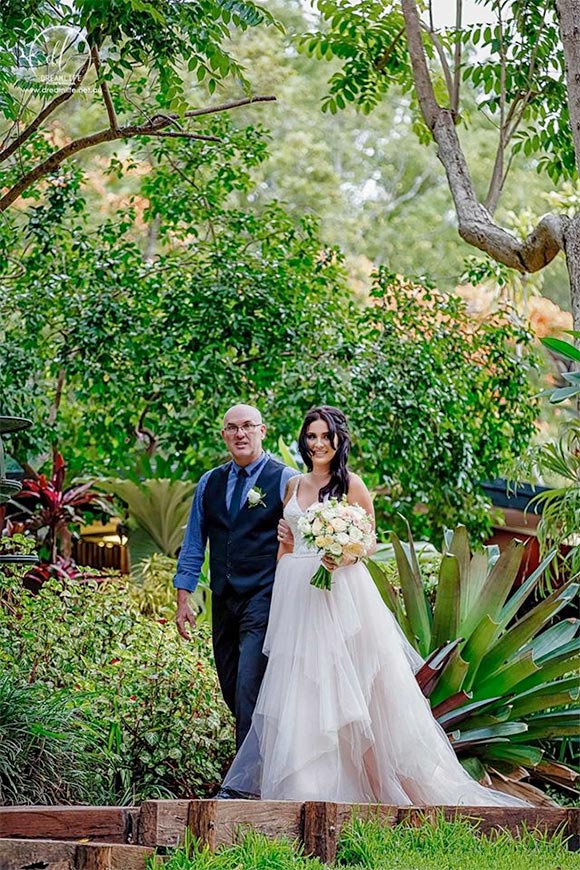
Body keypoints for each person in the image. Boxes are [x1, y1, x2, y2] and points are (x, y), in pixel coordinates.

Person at [220, 405, 529, 806]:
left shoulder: (352, 484)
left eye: (325, 437)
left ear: (337, 440)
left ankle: (346, 786)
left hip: (338, 590)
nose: (318, 444)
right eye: (311, 437)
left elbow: (366, 542)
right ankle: (302, 788)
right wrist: (285, 577)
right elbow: (286, 542)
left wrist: (341, 556)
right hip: (295, 591)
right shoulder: (292, 485)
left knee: (341, 684)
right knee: (296, 686)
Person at [174, 404, 297, 750]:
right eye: (232, 428)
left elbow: (300, 538)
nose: (240, 434)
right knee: (230, 684)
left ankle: (243, 785)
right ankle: (260, 760)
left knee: (249, 685)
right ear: (224, 435)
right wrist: (184, 595)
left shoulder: (285, 478)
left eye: (247, 426)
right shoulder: (209, 482)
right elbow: (195, 541)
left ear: (263, 431)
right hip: (223, 598)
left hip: (265, 596)